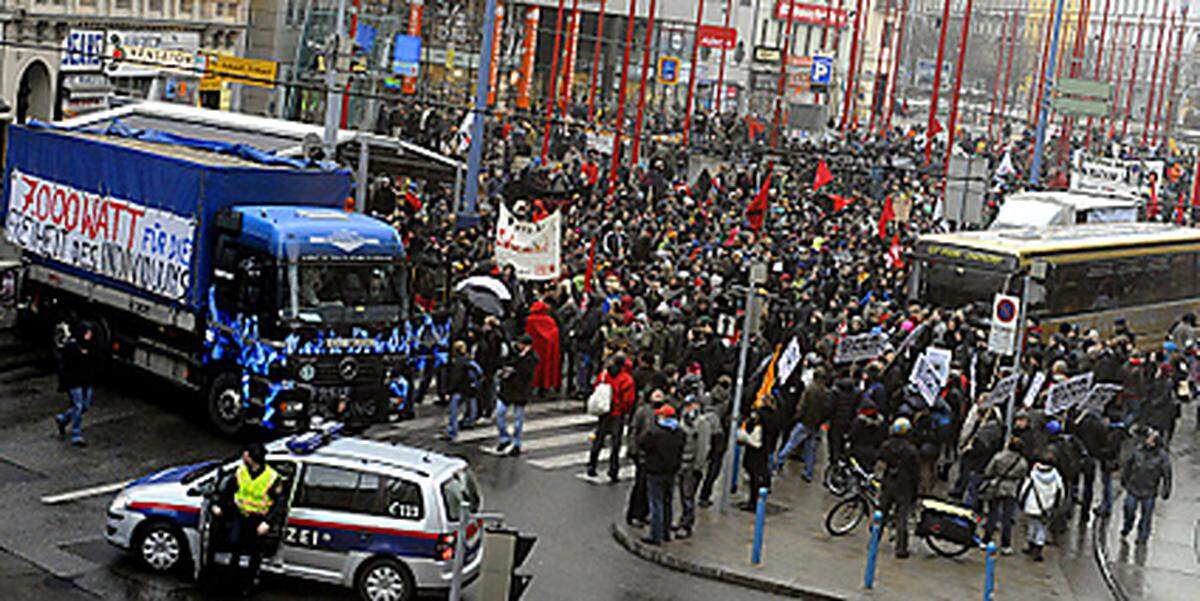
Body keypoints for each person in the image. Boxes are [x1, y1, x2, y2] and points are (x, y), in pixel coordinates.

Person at [210, 443, 285, 595]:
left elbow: (278, 504)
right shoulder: (241, 471)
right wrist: (219, 506)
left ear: (252, 459)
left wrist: (267, 522)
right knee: (235, 546)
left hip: (258, 520)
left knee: (255, 553)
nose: (243, 456)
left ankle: (249, 584)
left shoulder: (272, 478)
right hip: (240, 516)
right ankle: (231, 580)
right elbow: (228, 491)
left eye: (246, 454)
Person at [638, 404, 684, 546]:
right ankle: (666, 532)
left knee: (656, 503)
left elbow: (642, 443)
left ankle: (655, 535)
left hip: (655, 471)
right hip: (671, 471)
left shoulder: (655, 432)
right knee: (667, 502)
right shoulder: (680, 432)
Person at [587, 354, 636, 482]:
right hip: (617, 413)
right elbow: (628, 400)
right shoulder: (626, 379)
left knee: (599, 439)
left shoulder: (603, 375)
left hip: (604, 411)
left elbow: (595, 387)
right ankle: (613, 469)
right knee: (615, 443)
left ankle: (592, 465)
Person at [877, 417, 920, 558]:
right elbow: (915, 472)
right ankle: (900, 547)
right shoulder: (911, 450)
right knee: (901, 517)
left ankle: (875, 540)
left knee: (882, 512)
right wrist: (915, 491)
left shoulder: (886, 445)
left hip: (889, 481)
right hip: (904, 484)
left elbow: (881, 460)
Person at [1120, 429, 1172, 543]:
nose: (1149, 441)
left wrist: (1166, 489)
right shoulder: (1138, 450)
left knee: (1146, 516)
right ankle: (1127, 526)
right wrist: (1124, 479)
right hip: (1133, 487)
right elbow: (1128, 465)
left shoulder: (1162, 457)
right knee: (1129, 509)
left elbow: (1167, 474)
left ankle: (1143, 536)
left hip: (1149, 490)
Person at [981, 437, 1028, 555]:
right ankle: (1006, 545)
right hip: (1012, 489)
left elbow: (988, 471)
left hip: (997, 486)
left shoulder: (998, 457)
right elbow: (1023, 476)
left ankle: (986, 540)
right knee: (1007, 518)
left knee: (992, 514)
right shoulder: (1022, 462)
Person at [675, 393, 712, 539]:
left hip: (691, 466)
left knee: (688, 496)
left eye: (690, 405)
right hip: (681, 462)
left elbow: (703, 447)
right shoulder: (684, 420)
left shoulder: (702, 423)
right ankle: (682, 519)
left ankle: (687, 525)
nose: (687, 408)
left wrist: (698, 466)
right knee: (683, 496)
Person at [626, 389, 665, 527]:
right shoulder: (643, 411)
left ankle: (644, 513)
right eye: (656, 394)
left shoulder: (665, 410)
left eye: (661, 394)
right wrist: (633, 449)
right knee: (640, 485)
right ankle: (635, 514)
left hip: (656, 456)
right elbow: (634, 430)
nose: (659, 396)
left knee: (651, 487)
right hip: (643, 454)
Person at [54, 322, 97, 446]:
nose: (89, 335)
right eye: (87, 332)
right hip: (74, 381)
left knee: (85, 405)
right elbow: (65, 366)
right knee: (78, 406)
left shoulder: (90, 346)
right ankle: (76, 433)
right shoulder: (71, 347)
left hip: (86, 381)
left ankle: (63, 418)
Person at [496, 335, 538, 457]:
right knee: (500, 414)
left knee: (518, 421)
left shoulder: (532, 358)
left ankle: (517, 444)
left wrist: (521, 359)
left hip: (520, 390)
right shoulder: (512, 352)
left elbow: (526, 372)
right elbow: (505, 362)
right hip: (507, 388)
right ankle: (505, 438)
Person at [1019, 454, 1064, 562]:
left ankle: (1031, 544)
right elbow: (1061, 492)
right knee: (1042, 528)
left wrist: (1021, 502)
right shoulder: (1056, 476)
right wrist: (1056, 505)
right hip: (1046, 507)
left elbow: (1024, 489)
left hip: (1032, 505)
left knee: (1032, 524)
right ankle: (1038, 549)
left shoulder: (1033, 474)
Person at [442, 340, 479, 442]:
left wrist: (448, 391)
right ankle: (469, 422)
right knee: (471, 407)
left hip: (458, 390)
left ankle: (452, 432)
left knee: (453, 412)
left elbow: (455, 378)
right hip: (470, 389)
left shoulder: (457, 362)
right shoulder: (469, 359)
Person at [525, 300, 562, 398]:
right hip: (549, 350)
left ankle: (532, 388)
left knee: (535, 368)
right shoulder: (550, 320)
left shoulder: (530, 320)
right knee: (547, 369)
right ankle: (545, 388)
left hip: (536, 349)